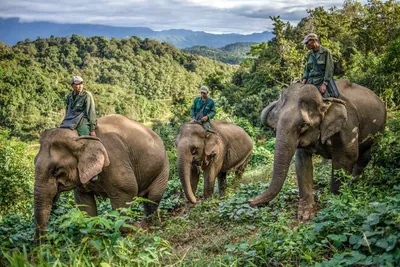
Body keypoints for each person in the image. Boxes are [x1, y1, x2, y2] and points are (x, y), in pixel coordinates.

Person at [301, 33, 334, 98]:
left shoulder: (325, 52)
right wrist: (303, 82)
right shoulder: (309, 54)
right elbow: (307, 69)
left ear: (313, 41)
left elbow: (329, 69)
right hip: (310, 82)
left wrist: (325, 84)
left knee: (324, 101)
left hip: (320, 83)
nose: (306, 45)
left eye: (307, 43)